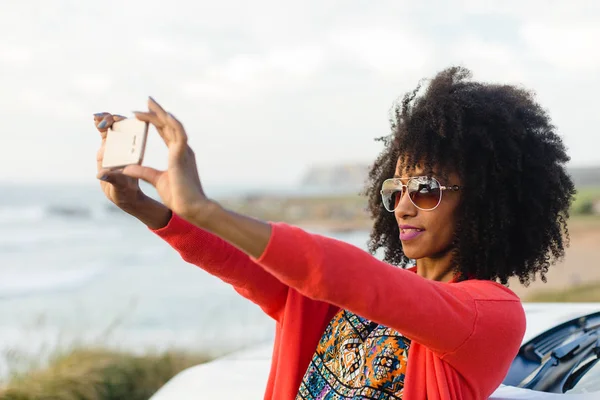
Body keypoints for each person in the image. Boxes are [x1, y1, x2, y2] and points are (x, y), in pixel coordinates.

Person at [93, 66, 576, 400]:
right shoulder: (337, 299)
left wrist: (205, 208)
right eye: (397, 187)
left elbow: (343, 273)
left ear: (488, 201)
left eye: (426, 189)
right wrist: (142, 207)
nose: (404, 204)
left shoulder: (487, 314)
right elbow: (241, 262)